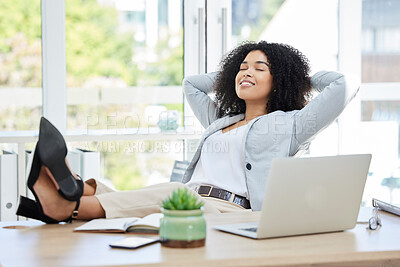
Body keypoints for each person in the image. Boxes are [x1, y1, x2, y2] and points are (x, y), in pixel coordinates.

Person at [16, 41, 359, 223]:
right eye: (241, 68)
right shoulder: (221, 121)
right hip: (193, 201)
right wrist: (229, 74)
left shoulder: (291, 125)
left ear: (279, 79)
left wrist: (298, 76)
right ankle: (75, 189)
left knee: (174, 193)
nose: (246, 72)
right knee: (122, 190)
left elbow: (343, 86)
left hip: (231, 214)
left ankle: (68, 206)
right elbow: (191, 85)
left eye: (259, 67)